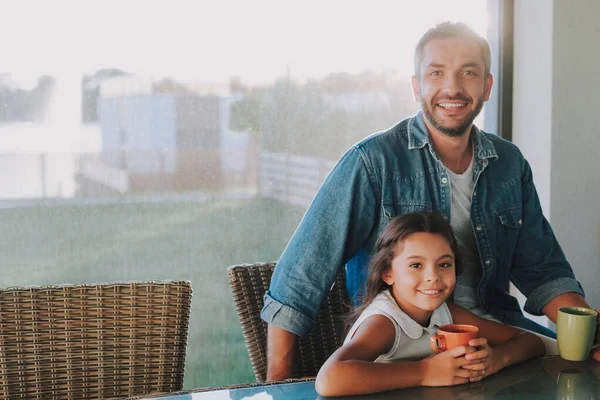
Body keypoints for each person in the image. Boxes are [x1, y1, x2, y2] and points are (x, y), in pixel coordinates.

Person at [261, 21, 594, 380]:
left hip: (494, 339)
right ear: (417, 86)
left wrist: (591, 338)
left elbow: (545, 272)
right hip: (405, 348)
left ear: (487, 86)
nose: (452, 87)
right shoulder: (372, 162)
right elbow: (297, 282)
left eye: (468, 72)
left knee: (583, 369)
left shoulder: (509, 164)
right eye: (437, 73)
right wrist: (276, 389)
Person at [315, 212, 545, 396]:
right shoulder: (384, 323)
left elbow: (530, 341)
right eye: (416, 265)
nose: (433, 276)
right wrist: (425, 372)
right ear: (387, 273)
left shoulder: (447, 314)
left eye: (444, 265)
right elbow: (329, 379)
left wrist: (496, 360)